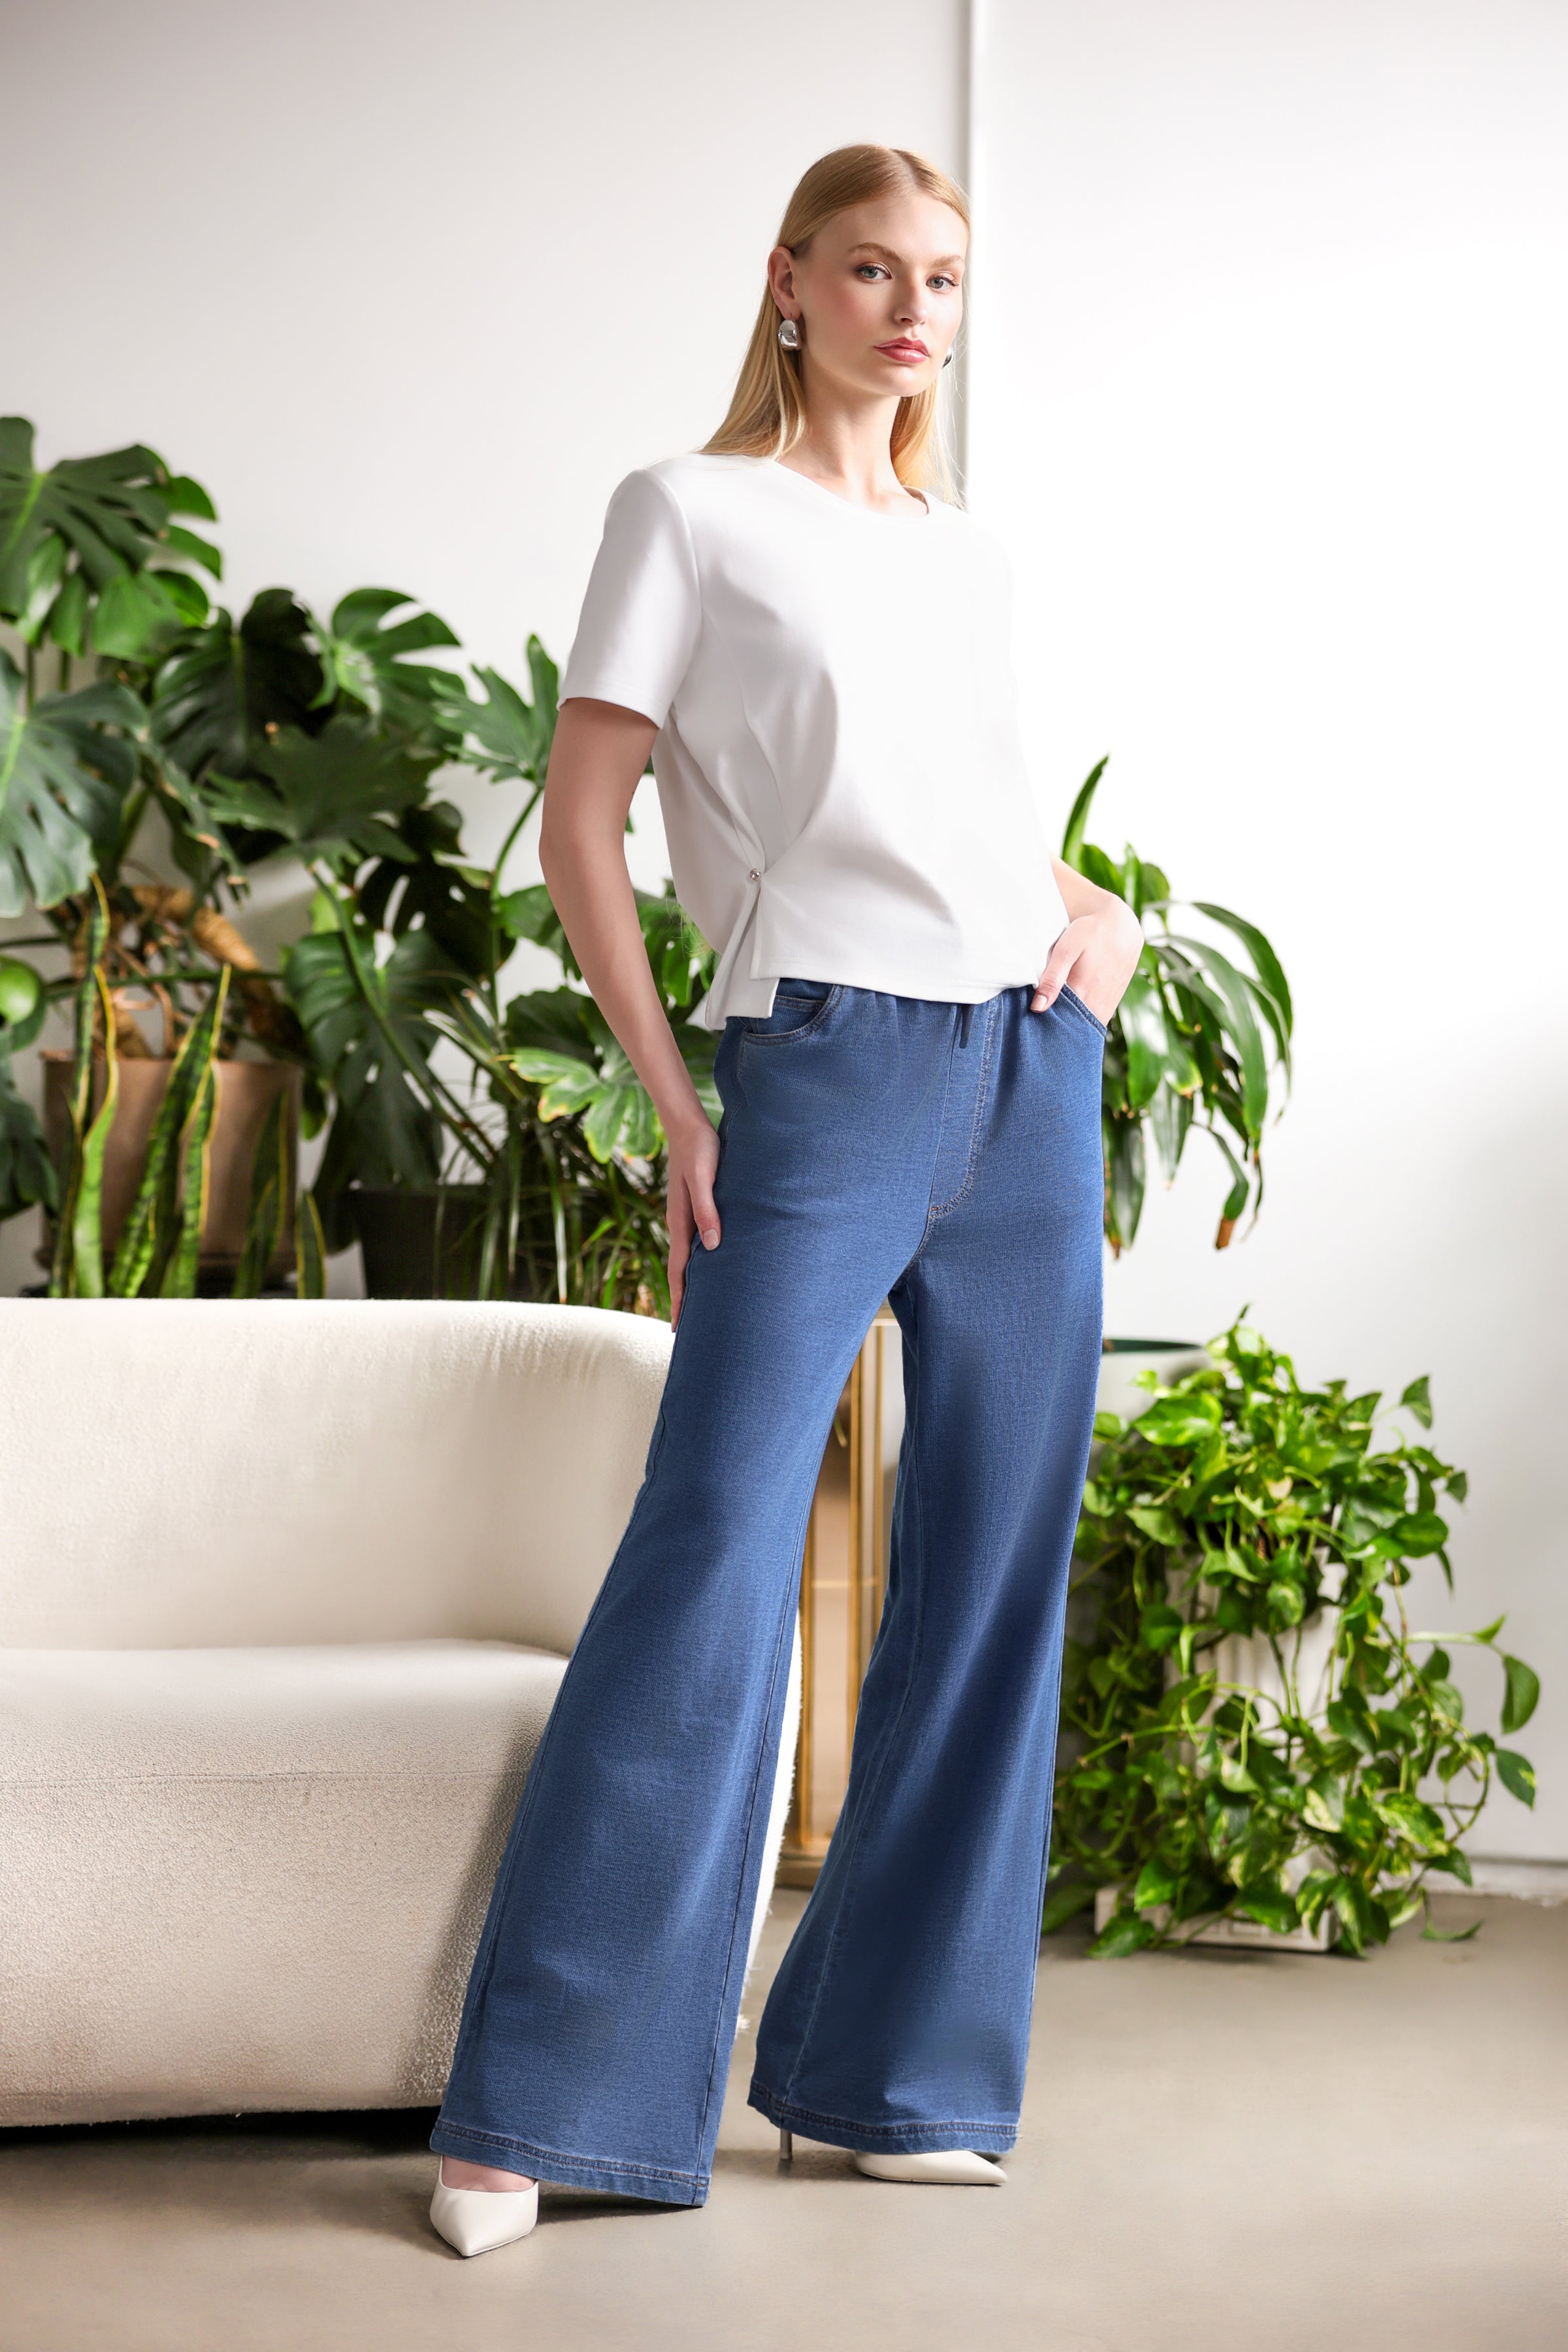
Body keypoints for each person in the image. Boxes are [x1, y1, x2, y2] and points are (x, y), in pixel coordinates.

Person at [426, 142, 1143, 2259]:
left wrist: (1088, 912)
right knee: (716, 1549)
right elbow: (584, 824)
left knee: (998, 1565)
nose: (914, 310)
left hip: (1026, 1078)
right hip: (820, 1067)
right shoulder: (688, 512)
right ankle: (538, 2108)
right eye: (871, 270)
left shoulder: (967, 551)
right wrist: (677, 1100)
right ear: (789, 285)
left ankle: (886, 2077)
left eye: (944, 277)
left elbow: (981, 818)